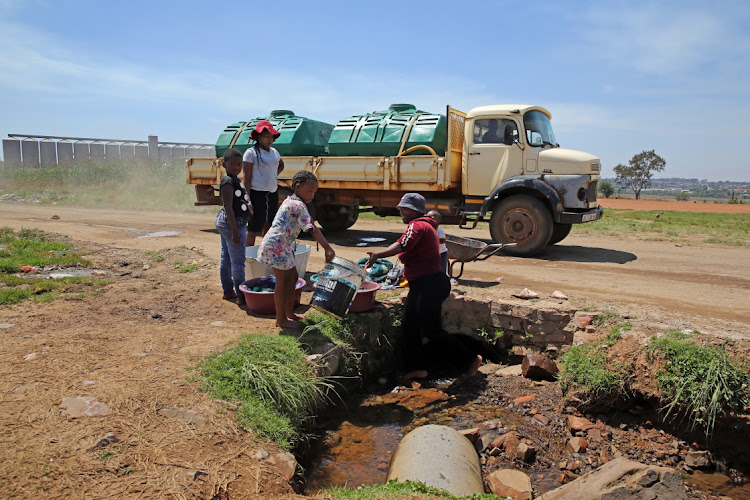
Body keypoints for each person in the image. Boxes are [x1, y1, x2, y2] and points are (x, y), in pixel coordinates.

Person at [366, 193, 482, 381]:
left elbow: (402, 245)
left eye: (404, 208)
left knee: (431, 330)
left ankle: (470, 359)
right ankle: (416, 369)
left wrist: (377, 255)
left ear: (415, 210)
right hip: (427, 284)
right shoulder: (424, 226)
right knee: (410, 327)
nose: (400, 211)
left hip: (429, 284)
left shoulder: (417, 225)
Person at [257, 170, 335, 328]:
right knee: (283, 281)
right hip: (277, 245)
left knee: (292, 278)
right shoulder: (297, 204)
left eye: (314, 192)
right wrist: (327, 247)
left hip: (283, 245)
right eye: (310, 191)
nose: (312, 195)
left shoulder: (291, 201)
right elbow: (312, 228)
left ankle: (289, 313)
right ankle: (281, 319)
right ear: (298, 187)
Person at [215, 148, 252, 304]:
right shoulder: (228, 182)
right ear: (224, 164)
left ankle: (228, 291)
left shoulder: (234, 180)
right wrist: (235, 231)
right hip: (233, 223)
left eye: (239, 164)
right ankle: (241, 294)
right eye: (233, 164)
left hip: (232, 222)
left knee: (227, 258)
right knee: (237, 261)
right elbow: (229, 207)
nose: (237, 167)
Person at [243, 120, 285, 246]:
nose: (269, 139)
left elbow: (281, 165)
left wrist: (272, 176)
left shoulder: (274, 152)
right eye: (266, 136)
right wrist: (247, 199)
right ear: (259, 137)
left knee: (269, 223)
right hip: (257, 194)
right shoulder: (251, 153)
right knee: (254, 227)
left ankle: (265, 253)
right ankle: (247, 258)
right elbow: (247, 178)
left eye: (271, 136)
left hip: (272, 193)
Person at [426, 210, 448, 274]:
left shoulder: (439, 230)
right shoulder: (426, 229)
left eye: (432, 219)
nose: (429, 220)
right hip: (431, 254)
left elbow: (442, 240)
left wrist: (432, 240)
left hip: (441, 254)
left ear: (438, 222)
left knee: (441, 270)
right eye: (427, 218)